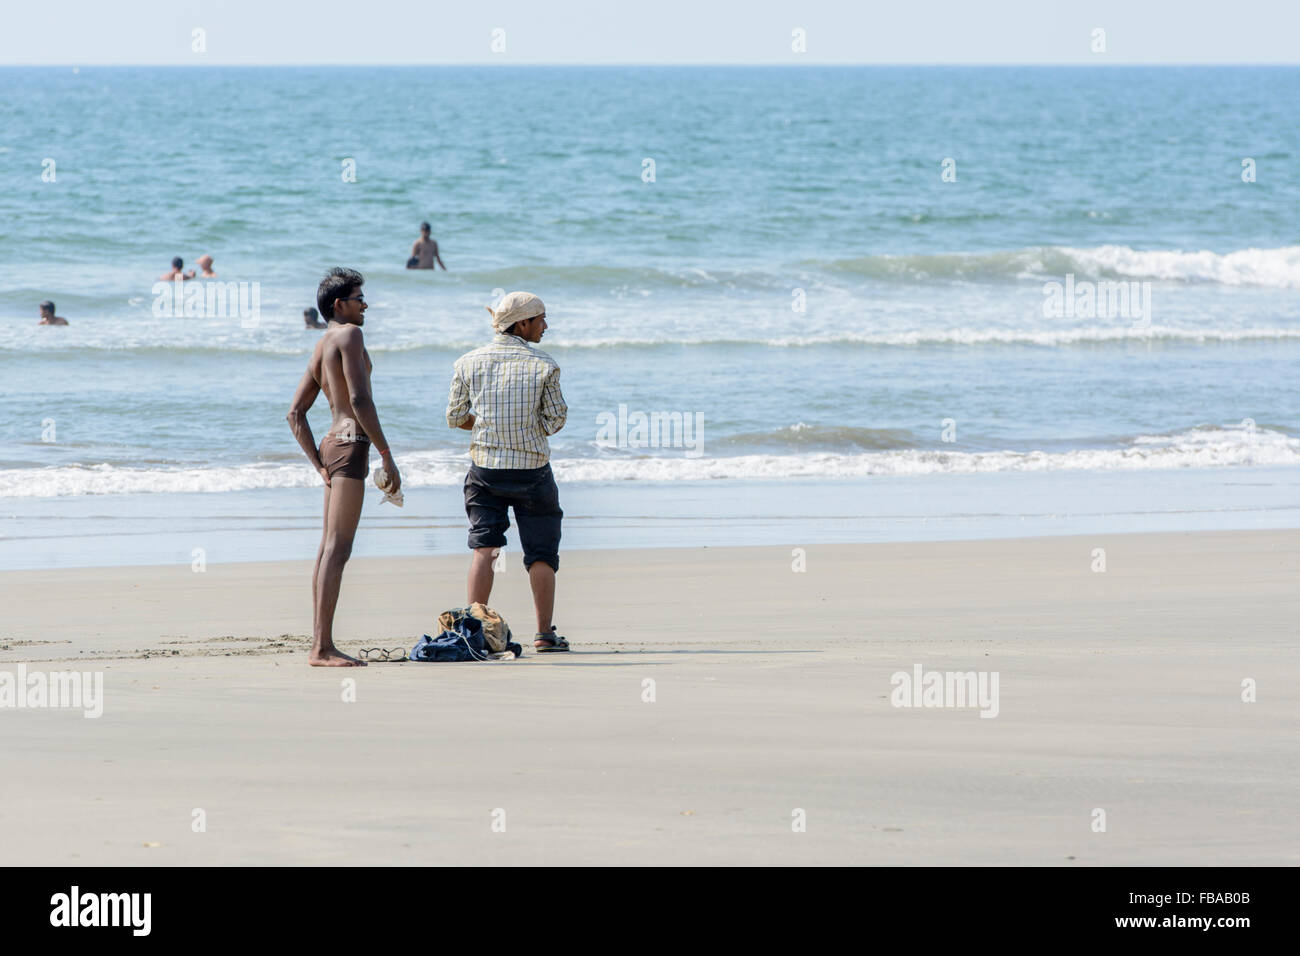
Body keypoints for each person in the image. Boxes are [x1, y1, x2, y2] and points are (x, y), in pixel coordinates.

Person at [286, 267, 400, 667]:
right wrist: (386, 454)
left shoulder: (321, 344)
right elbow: (360, 400)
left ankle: (320, 643)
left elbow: (295, 414)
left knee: (326, 549)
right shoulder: (351, 335)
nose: (366, 305)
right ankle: (322, 648)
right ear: (339, 305)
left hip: (333, 445)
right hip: (352, 446)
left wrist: (319, 464)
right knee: (339, 548)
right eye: (359, 298)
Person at [446, 291, 569, 652]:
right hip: (532, 471)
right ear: (523, 323)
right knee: (542, 553)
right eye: (541, 319)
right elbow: (556, 419)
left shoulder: (467, 362)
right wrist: (524, 430)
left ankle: (473, 632)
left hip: (485, 470)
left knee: (485, 548)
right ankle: (544, 634)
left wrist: (489, 428)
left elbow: (454, 417)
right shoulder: (545, 365)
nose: (546, 326)